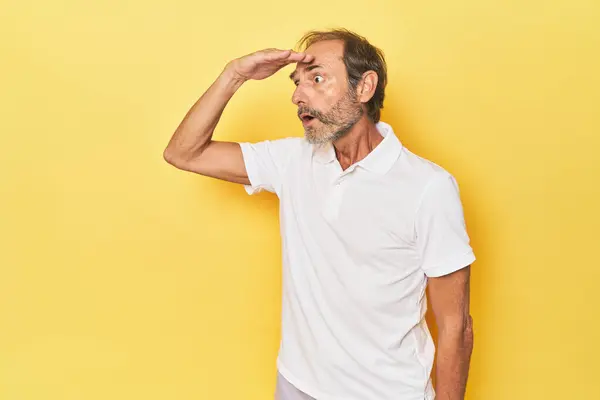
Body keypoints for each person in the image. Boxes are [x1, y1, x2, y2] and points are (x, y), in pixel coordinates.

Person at [163, 28, 476, 400]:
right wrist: (235, 74)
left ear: (364, 88)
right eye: (297, 83)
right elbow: (184, 153)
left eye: (317, 78)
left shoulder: (428, 187)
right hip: (297, 384)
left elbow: (455, 325)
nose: (298, 96)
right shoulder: (292, 161)